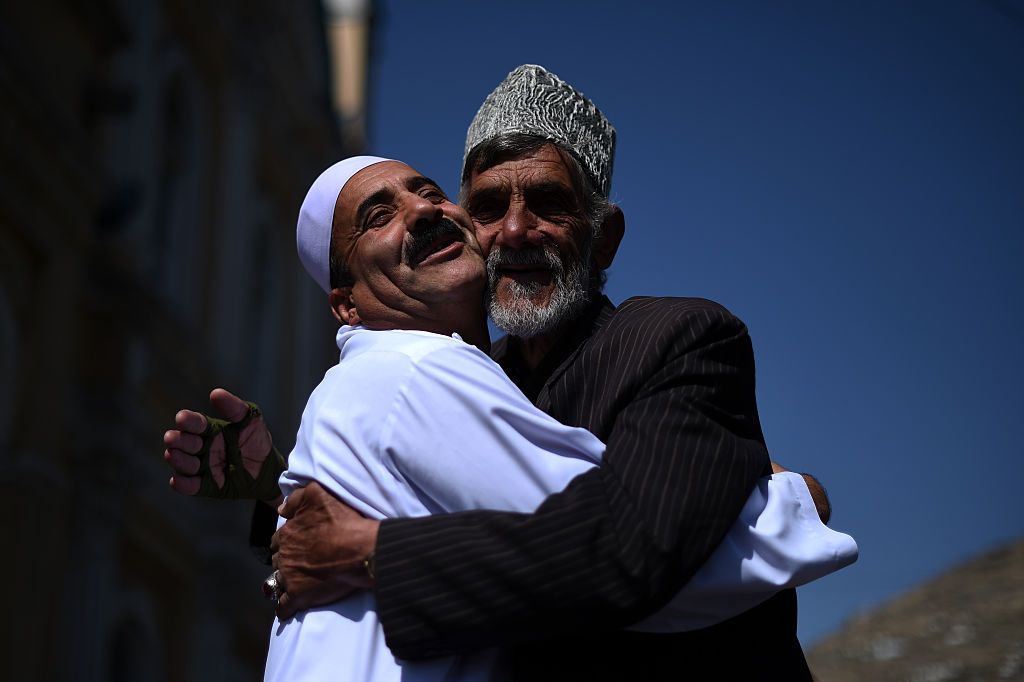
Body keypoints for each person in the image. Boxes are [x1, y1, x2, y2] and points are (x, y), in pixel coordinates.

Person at [166, 65, 839, 679]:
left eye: (547, 203)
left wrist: (372, 550)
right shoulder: (445, 375)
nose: (514, 232)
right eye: (488, 207)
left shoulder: (675, 342)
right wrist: (282, 494)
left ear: (603, 236)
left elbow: (631, 553)